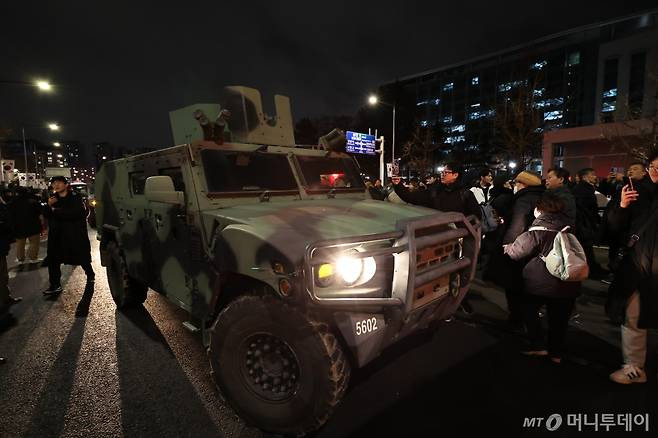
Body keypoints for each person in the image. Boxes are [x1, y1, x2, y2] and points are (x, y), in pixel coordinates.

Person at [393, 162, 481, 314]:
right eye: (443, 171)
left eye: (447, 172)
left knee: (457, 271)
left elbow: (475, 217)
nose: (443, 174)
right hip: (436, 240)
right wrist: (398, 184)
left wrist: (462, 233)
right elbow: (411, 197)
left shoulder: (465, 194)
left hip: (457, 241)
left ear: (456, 175)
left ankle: (458, 300)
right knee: (436, 271)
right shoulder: (434, 191)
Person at [503, 192, 581, 363]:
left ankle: (538, 346)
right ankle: (556, 353)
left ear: (539, 210)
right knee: (559, 321)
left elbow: (516, 253)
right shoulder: (570, 228)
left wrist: (507, 247)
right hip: (568, 282)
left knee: (528, 309)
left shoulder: (537, 231)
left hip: (539, 283)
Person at [606, 151, 658, 384]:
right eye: (655, 166)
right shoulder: (636, 192)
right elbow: (613, 228)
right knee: (633, 316)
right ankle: (634, 368)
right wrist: (623, 206)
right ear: (648, 167)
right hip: (638, 264)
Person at [487, 171, 545, 328]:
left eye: (517, 183)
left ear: (523, 184)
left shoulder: (523, 200)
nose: (514, 186)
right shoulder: (543, 196)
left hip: (521, 247)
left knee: (514, 286)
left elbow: (517, 225)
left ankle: (517, 320)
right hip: (537, 246)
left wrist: (508, 247)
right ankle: (527, 319)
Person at [42, 176, 95, 296]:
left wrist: (55, 210)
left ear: (66, 185)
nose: (56, 185)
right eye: (54, 183)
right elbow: (46, 214)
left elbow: (77, 213)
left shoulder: (75, 197)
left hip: (74, 234)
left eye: (59, 183)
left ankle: (90, 274)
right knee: (54, 260)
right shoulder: (52, 199)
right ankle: (55, 285)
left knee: (82, 257)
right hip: (57, 235)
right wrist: (49, 206)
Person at [572, 168, 605, 277]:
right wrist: (593, 220)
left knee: (586, 248)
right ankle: (591, 270)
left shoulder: (585, 188)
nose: (595, 177)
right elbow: (586, 208)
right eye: (593, 174)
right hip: (584, 224)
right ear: (585, 177)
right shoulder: (583, 189)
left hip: (584, 223)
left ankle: (592, 269)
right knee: (586, 248)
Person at [8, 186, 44, 264]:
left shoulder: (12, 202)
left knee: (20, 243)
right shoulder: (33, 201)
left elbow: (9, 215)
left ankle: (20, 259)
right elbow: (40, 213)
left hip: (18, 226)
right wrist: (42, 223)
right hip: (33, 224)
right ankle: (33, 258)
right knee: (34, 242)